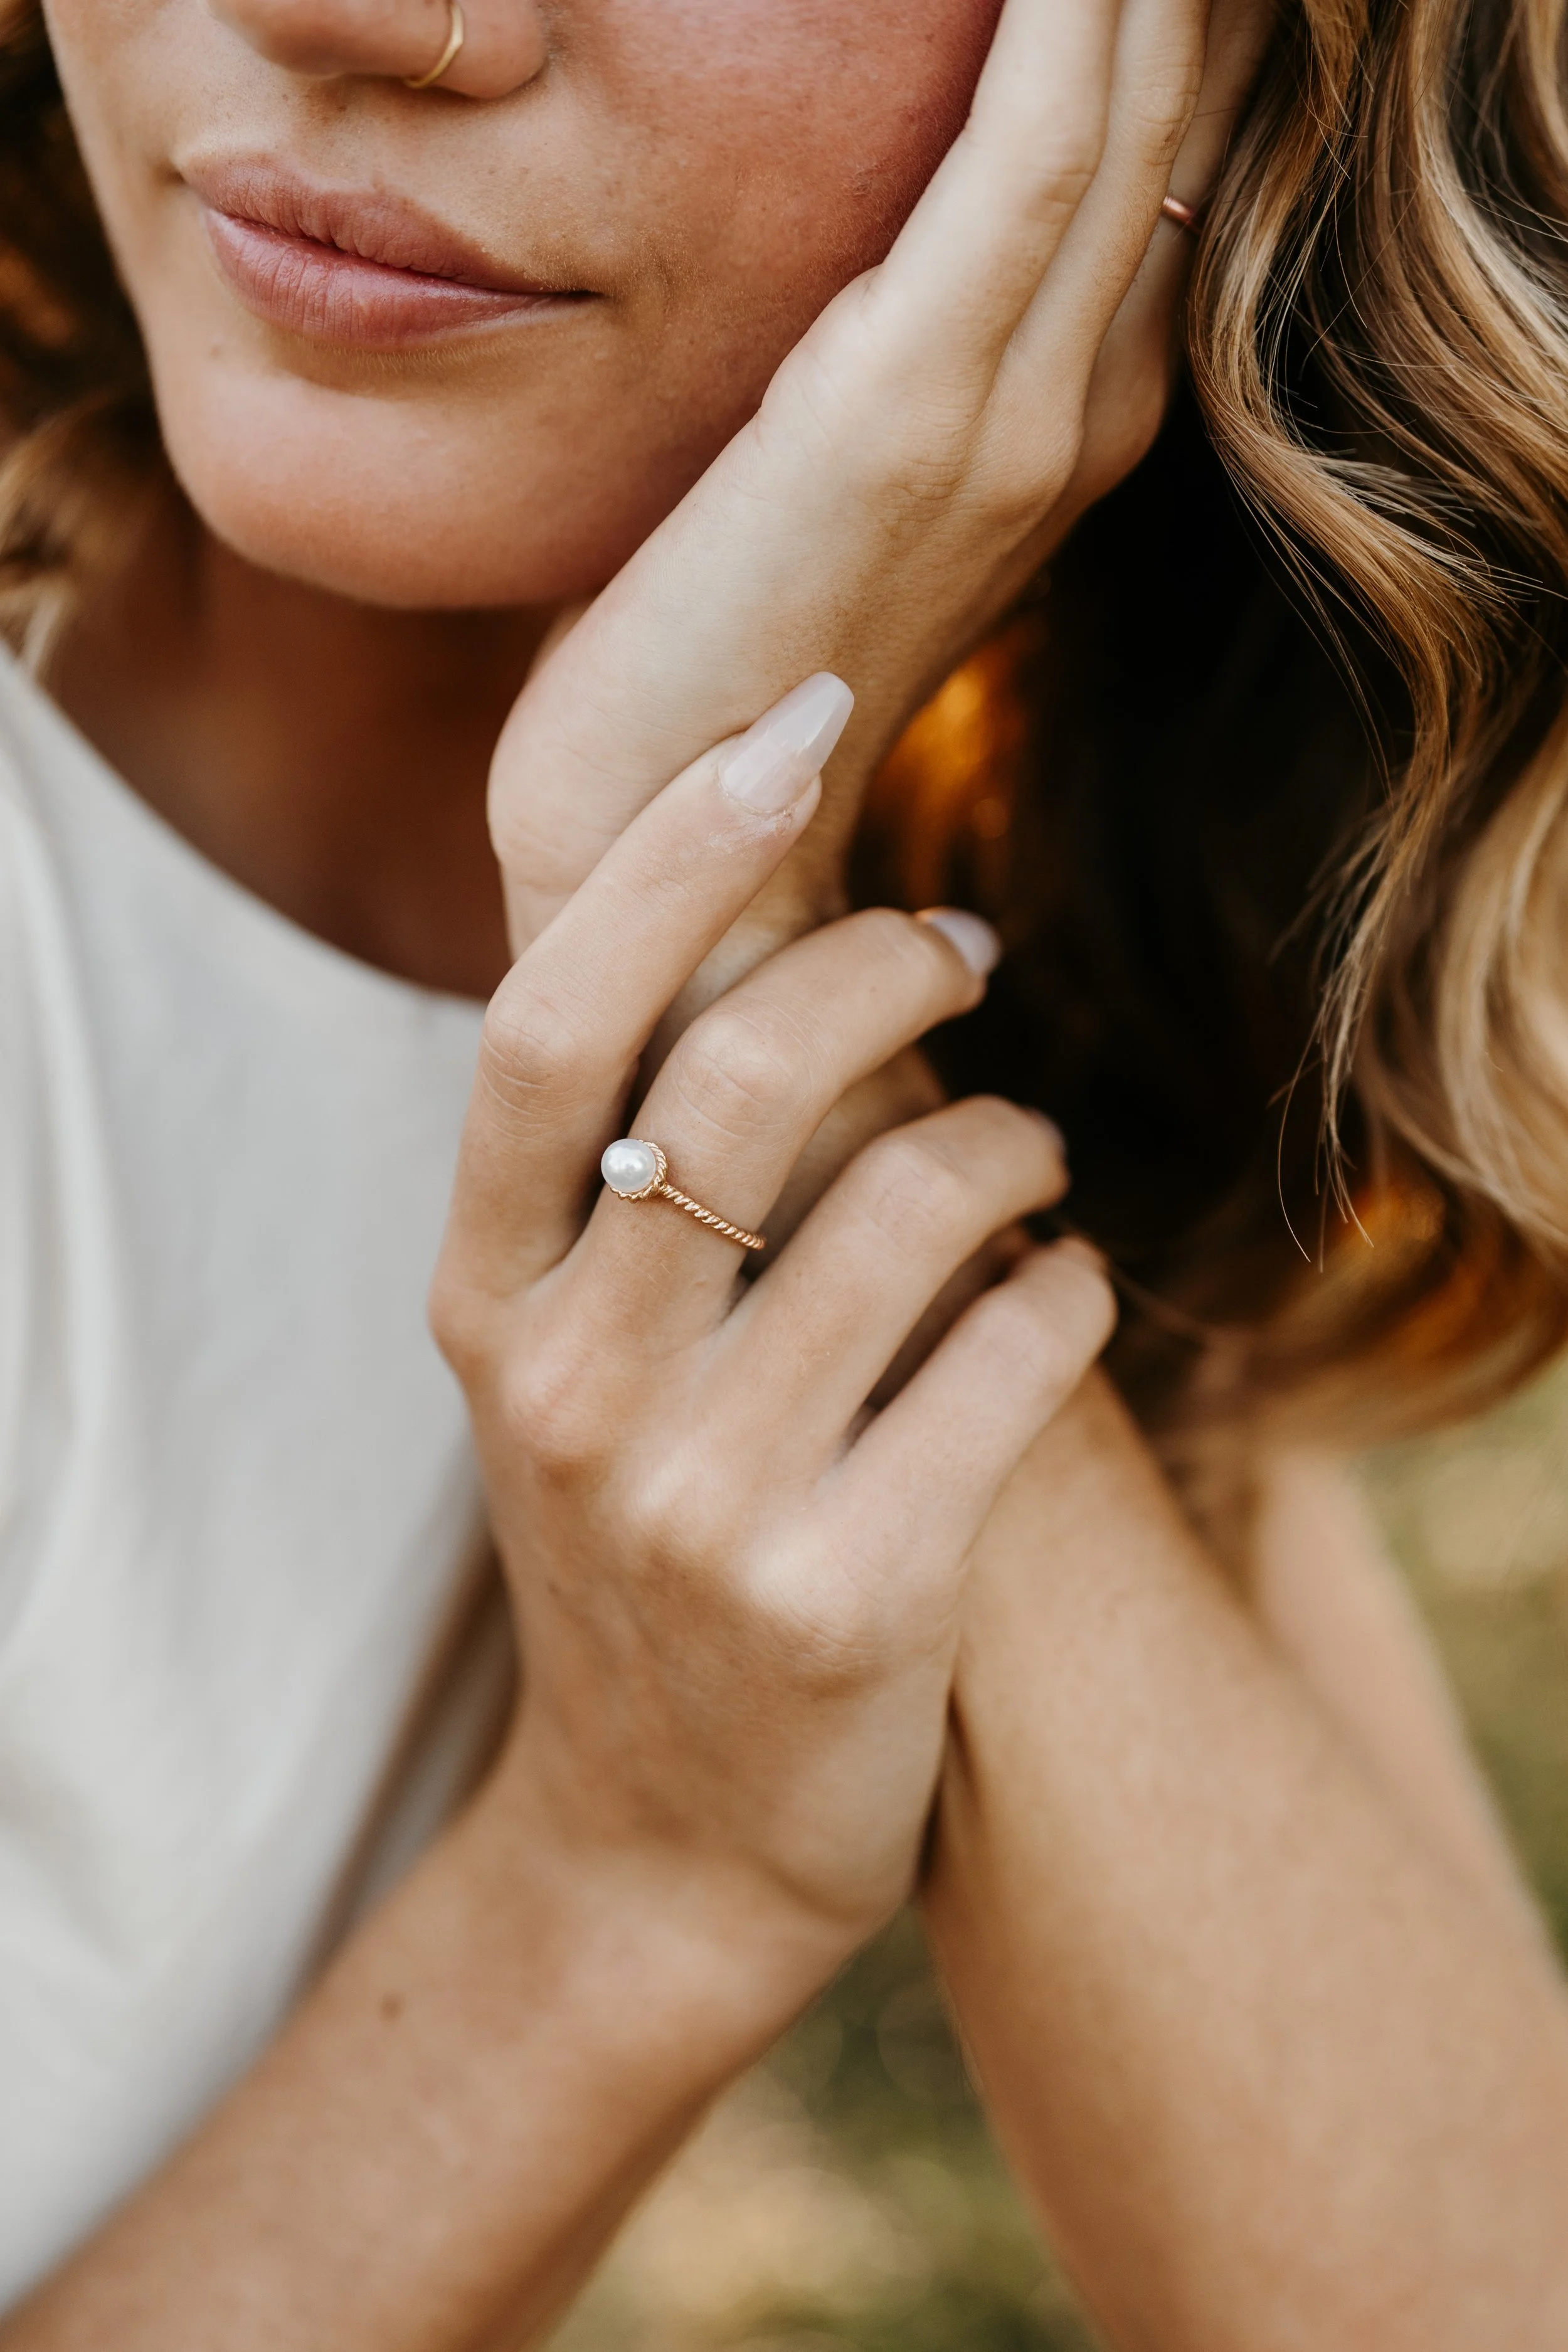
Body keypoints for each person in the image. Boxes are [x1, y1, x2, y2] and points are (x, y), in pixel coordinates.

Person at [4, 0, 1568, 2347]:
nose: (342, 8)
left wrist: (722, 892)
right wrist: (633, 1874)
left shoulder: (1006, 965)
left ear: (1213, 66)